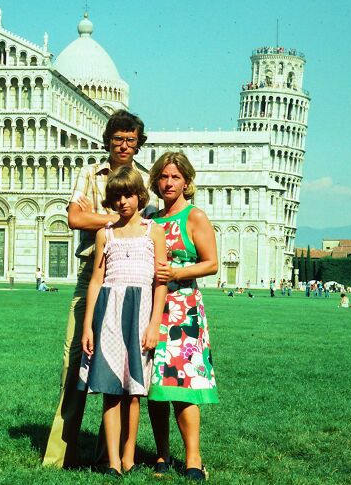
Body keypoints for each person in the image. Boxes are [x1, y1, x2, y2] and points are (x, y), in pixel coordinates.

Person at [43, 110, 149, 468]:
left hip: (132, 278)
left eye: (130, 140)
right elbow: (74, 217)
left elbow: (146, 228)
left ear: (138, 144)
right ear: (108, 140)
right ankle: (58, 457)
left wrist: (100, 217)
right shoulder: (90, 173)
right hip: (92, 272)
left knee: (119, 370)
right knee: (73, 362)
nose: (124, 145)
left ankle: (111, 457)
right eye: (118, 138)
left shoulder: (144, 178)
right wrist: (120, 220)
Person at [78, 166, 168, 477]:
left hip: (141, 313)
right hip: (109, 312)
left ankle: (129, 456)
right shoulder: (106, 234)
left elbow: (160, 281)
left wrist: (155, 324)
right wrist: (88, 324)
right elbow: (96, 280)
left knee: (134, 391)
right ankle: (112, 461)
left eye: (128, 195)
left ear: (141, 196)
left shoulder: (152, 231)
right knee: (110, 389)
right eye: (117, 197)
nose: (123, 202)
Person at [147, 152, 219, 482]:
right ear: (155, 182)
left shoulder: (195, 217)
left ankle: (193, 457)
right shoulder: (150, 219)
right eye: (163, 176)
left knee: (184, 384)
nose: (169, 182)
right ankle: (161, 455)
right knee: (155, 385)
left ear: (186, 182)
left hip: (183, 309)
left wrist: (179, 270)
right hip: (151, 308)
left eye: (175, 177)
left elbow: (211, 263)